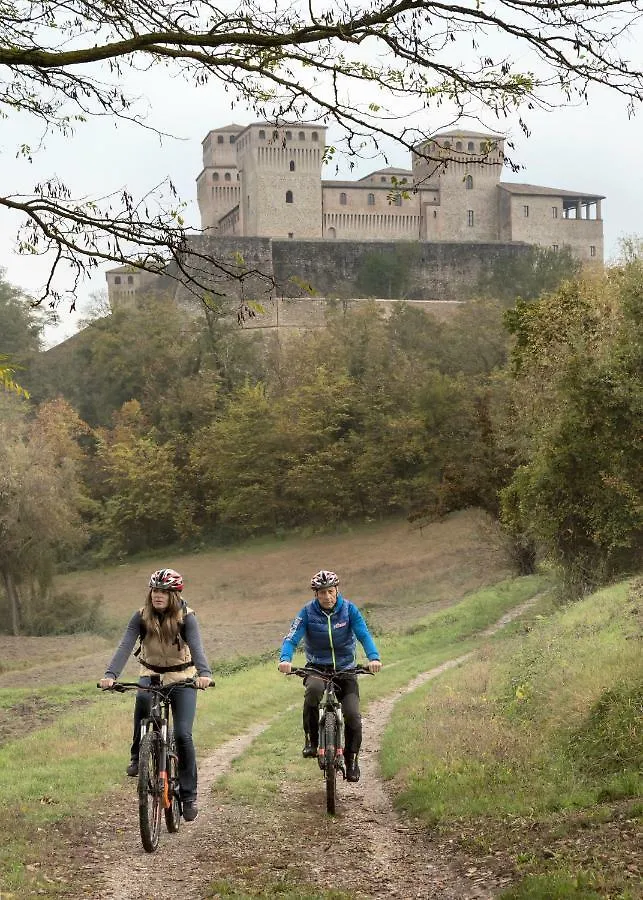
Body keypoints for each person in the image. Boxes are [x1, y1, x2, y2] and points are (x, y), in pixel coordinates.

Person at [99, 568, 212, 822]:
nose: (158, 596)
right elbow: (125, 645)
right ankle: (137, 754)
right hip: (151, 673)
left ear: (174, 595)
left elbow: (197, 646)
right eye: (155, 591)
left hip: (182, 677)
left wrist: (204, 673)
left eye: (164, 591)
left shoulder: (186, 617)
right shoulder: (140, 616)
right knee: (141, 698)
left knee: (183, 734)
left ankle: (189, 794)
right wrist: (111, 674)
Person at [278, 569, 382, 783]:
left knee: (353, 714)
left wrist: (373, 658)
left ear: (337, 590)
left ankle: (352, 760)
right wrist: (285, 659)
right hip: (317, 667)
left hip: (346, 669)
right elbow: (291, 638)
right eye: (322, 592)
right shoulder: (307, 612)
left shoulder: (349, 610)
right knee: (314, 691)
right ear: (315, 594)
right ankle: (312, 741)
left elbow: (363, 634)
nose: (327, 597)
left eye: (330, 591)